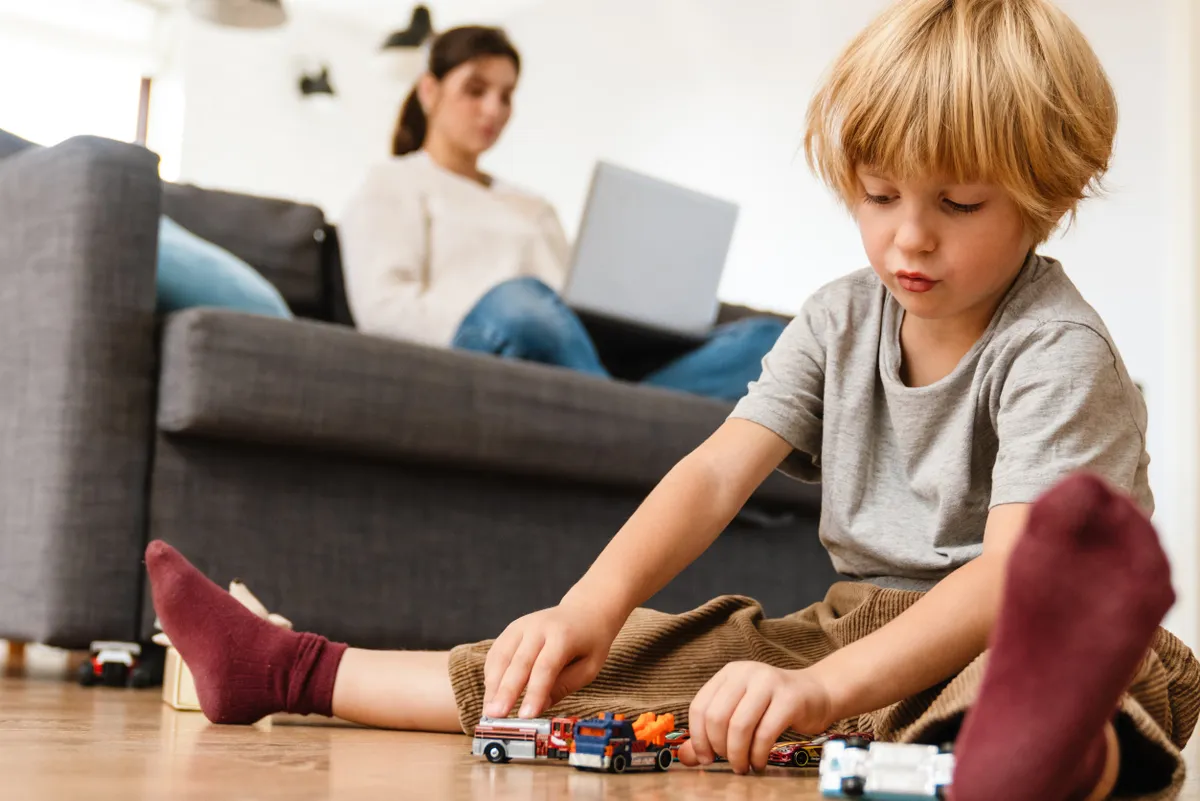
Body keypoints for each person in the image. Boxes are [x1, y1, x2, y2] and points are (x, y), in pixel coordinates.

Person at [143, 1, 1200, 798]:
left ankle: (1045, 751)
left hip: (1016, 631)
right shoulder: (840, 316)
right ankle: (288, 667)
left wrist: (824, 698)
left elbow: (1015, 578)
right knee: (648, 653)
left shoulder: (1055, 350)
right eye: (879, 197)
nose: (907, 238)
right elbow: (711, 474)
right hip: (849, 629)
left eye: (956, 204)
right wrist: (589, 609)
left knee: (1014, 691)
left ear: (1047, 197)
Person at [337, 26, 786, 403]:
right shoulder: (392, 183)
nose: (494, 109)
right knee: (521, 301)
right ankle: (627, 415)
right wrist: (517, 309)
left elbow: (567, 304)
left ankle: (615, 411)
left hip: (572, 355)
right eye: (475, 90)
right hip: (488, 343)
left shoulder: (533, 206)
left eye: (506, 96)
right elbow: (384, 309)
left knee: (772, 344)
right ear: (429, 91)